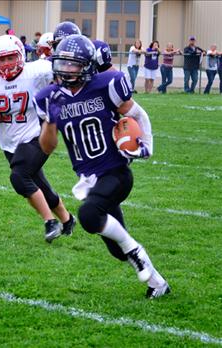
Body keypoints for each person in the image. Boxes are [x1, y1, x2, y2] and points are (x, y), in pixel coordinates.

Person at [38, 34, 170, 299]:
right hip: (88, 179)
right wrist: (51, 121)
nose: (65, 69)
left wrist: (147, 146)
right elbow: (47, 147)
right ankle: (159, 283)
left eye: (72, 64)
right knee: (116, 251)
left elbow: (137, 114)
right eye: (62, 63)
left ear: (87, 66)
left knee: (88, 216)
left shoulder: (107, 84)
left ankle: (137, 252)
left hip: (115, 171)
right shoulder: (49, 96)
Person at [0, 34, 76, 243]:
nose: (6, 64)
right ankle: (68, 219)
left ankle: (49, 222)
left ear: (21, 55)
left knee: (19, 177)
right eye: (1, 59)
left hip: (37, 135)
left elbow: (65, 72)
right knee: (37, 184)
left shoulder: (38, 71)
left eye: (10, 58)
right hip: (9, 143)